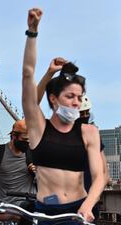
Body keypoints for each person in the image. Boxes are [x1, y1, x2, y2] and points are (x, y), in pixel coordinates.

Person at [22, 8, 105, 224]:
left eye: (80, 97)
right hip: (44, 213)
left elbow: (99, 177)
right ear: (53, 99)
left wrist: (87, 206)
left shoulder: (89, 132)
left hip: (76, 212)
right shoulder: (40, 129)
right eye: (70, 96)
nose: (76, 102)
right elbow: (28, 75)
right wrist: (32, 32)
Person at [36, 59, 110, 222]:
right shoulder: (49, 132)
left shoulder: (91, 135)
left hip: (85, 205)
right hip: (51, 206)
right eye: (81, 113)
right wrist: (49, 74)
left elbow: (103, 175)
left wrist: (90, 202)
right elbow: (32, 103)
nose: (83, 116)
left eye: (86, 113)